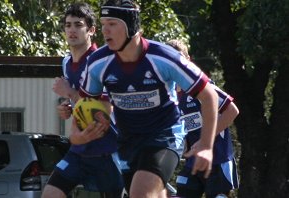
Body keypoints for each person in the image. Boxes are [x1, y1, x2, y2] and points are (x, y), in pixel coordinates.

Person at [71, 0, 219, 197]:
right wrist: (76, 135)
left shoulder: (163, 57)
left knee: (140, 193)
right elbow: (84, 103)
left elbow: (209, 95)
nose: (105, 30)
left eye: (112, 24)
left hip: (164, 136)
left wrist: (207, 146)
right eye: (103, 23)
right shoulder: (98, 62)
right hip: (128, 141)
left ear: (131, 26)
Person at [41, 3, 124, 198]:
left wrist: (70, 92)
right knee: (50, 194)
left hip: (107, 149)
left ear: (91, 30)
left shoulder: (102, 60)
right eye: (68, 25)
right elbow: (81, 103)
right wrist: (67, 108)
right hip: (79, 149)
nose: (72, 30)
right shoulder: (66, 62)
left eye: (78, 25)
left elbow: (104, 110)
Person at [167, 39, 239, 198]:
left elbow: (232, 111)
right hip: (193, 162)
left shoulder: (202, 88)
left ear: (188, 61)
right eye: (171, 61)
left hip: (218, 159)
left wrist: (204, 140)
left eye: (180, 60)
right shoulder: (169, 97)